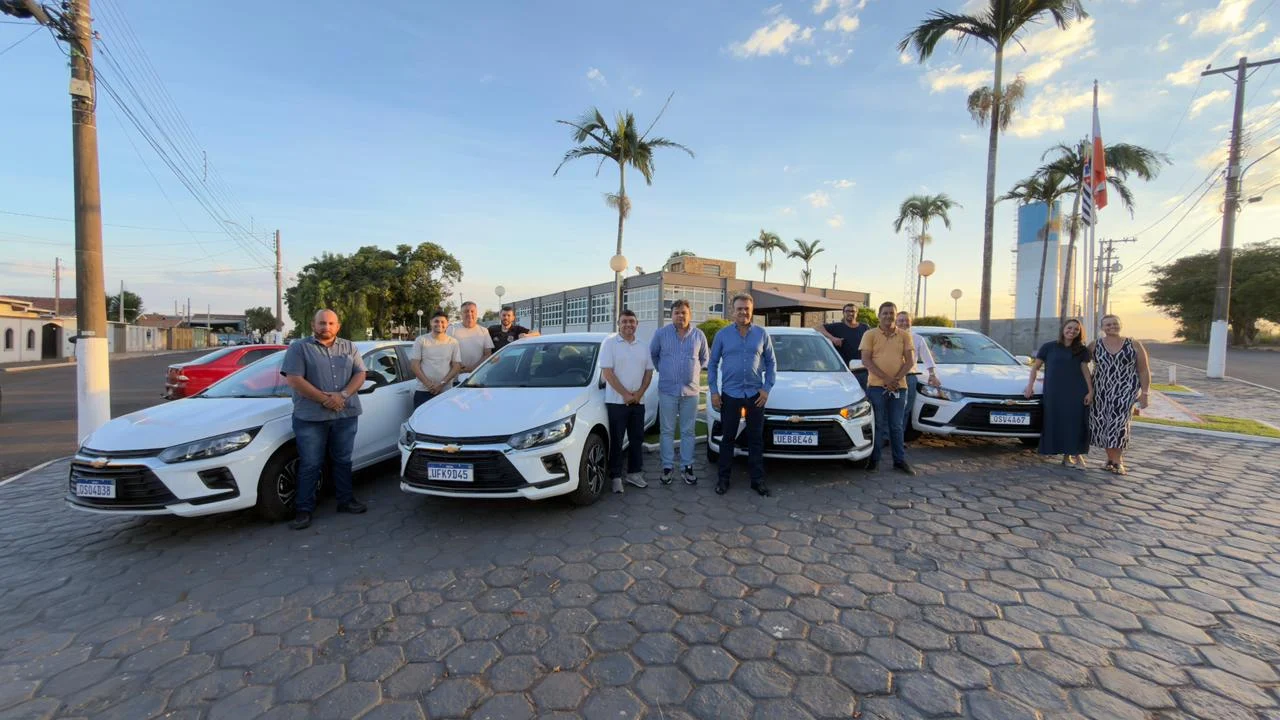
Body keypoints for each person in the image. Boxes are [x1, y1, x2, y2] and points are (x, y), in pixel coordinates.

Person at [279, 309, 368, 530]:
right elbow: (294, 379)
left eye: (330, 323)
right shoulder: (299, 348)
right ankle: (304, 510)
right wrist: (326, 399)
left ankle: (345, 501)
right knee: (310, 463)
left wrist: (342, 395)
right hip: (311, 417)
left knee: (343, 460)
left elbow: (360, 374)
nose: (326, 327)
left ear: (338, 326)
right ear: (313, 325)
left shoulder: (349, 347)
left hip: (345, 414)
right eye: (321, 323)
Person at [709, 293, 777, 497]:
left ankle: (757, 481)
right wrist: (714, 391)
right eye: (739, 308)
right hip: (730, 394)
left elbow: (771, 362)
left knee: (756, 439)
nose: (743, 312)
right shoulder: (722, 335)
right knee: (728, 438)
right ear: (733, 310)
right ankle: (723, 480)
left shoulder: (762, 334)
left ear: (752, 310)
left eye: (747, 309)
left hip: (755, 394)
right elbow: (712, 364)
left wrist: (766, 388)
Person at [649, 298, 710, 485]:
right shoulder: (661, 334)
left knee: (688, 431)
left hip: (690, 393)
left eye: (684, 312)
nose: (680, 316)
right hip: (667, 391)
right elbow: (654, 355)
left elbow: (704, 358)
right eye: (677, 312)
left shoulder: (698, 335)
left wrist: (693, 372)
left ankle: (687, 467)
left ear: (689, 315)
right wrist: (664, 370)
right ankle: (667, 467)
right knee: (667, 431)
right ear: (671, 315)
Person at [1025, 318, 1093, 468]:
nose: (1072, 331)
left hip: (1076, 391)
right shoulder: (1049, 347)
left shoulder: (1082, 350)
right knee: (1058, 421)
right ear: (1063, 329)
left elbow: (1085, 370)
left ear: (1079, 332)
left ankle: (1077, 455)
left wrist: (1090, 391)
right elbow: (1035, 367)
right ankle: (1066, 457)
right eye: (1069, 328)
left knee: (1075, 422)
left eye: (1076, 329)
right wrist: (1030, 385)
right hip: (1054, 391)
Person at [600, 309, 655, 494]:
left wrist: (639, 394)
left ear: (637, 324)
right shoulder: (609, 344)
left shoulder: (643, 346)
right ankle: (615, 477)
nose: (628, 324)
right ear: (618, 324)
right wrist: (625, 394)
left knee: (636, 439)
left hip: (638, 402)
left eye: (631, 321)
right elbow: (608, 373)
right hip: (616, 402)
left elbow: (648, 373)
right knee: (617, 440)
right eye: (624, 321)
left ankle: (634, 473)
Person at [1090, 314, 1151, 475]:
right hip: (1100, 392)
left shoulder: (1134, 344)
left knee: (1119, 424)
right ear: (1102, 328)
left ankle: (1118, 461)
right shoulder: (1095, 345)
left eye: (1114, 323)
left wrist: (1145, 393)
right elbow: (1080, 363)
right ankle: (1110, 459)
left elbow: (1143, 370)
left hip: (1125, 391)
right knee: (1103, 424)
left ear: (1120, 325)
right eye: (1108, 325)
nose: (1112, 327)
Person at [859, 301, 915, 475]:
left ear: (895, 316)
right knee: (877, 424)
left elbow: (910, 361)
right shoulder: (870, 334)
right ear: (879, 315)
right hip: (876, 388)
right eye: (885, 313)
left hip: (899, 387)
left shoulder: (904, 336)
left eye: (891, 313)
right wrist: (886, 379)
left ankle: (899, 461)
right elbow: (866, 360)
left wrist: (895, 380)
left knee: (896, 426)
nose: (888, 316)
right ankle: (874, 460)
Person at [896, 311, 941, 436]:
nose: (904, 323)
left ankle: (900, 437)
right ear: (896, 322)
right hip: (891, 378)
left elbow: (927, 358)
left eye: (907, 320)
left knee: (906, 409)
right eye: (901, 320)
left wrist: (932, 375)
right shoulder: (889, 337)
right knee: (891, 409)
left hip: (909, 377)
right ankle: (886, 437)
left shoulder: (917, 339)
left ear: (911, 322)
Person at [410, 310, 462, 409]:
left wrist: (441, 384)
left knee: (445, 418)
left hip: (445, 391)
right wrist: (429, 385)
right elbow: (414, 365)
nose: (439, 324)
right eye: (436, 321)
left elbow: (456, 366)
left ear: (447, 324)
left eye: (443, 322)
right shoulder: (421, 340)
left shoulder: (453, 342)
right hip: (423, 391)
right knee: (422, 419)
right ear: (431, 322)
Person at [818, 303, 871, 390]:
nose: (850, 313)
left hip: (863, 371)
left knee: (864, 396)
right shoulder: (837, 327)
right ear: (843, 313)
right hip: (843, 372)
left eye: (853, 311)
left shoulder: (865, 328)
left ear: (857, 313)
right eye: (847, 311)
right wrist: (833, 338)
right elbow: (818, 328)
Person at [448, 301, 495, 372]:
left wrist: (473, 368)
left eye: (472, 311)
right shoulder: (451, 329)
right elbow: (447, 352)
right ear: (461, 314)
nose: (469, 314)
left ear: (476, 313)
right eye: (466, 311)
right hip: (456, 374)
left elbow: (487, 354)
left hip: (477, 373)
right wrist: (458, 367)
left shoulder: (484, 331)